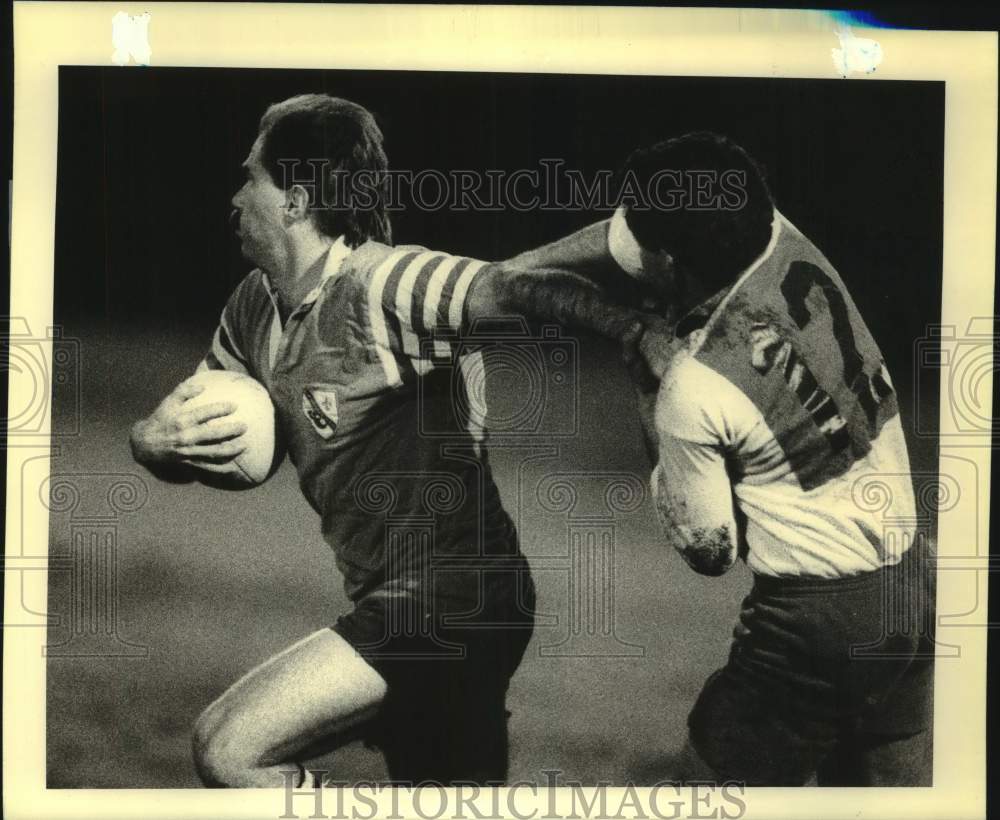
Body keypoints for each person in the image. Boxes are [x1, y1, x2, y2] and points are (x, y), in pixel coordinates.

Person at [128, 93, 641, 788]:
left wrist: (638, 333)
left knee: (229, 747)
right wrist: (150, 441)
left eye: (251, 177)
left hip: (457, 603)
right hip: (403, 604)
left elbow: (519, 290)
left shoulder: (385, 284)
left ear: (296, 200)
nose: (234, 195)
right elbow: (187, 429)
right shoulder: (253, 306)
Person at [516, 132, 935, 786]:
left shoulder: (694, 384)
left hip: (815, 622)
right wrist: (510, 271)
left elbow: (710, 551)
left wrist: (648, 387)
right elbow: (638, 235)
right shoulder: (779, 236)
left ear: (672, 262)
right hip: (914, 578)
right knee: (884, 798)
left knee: (695, 796)